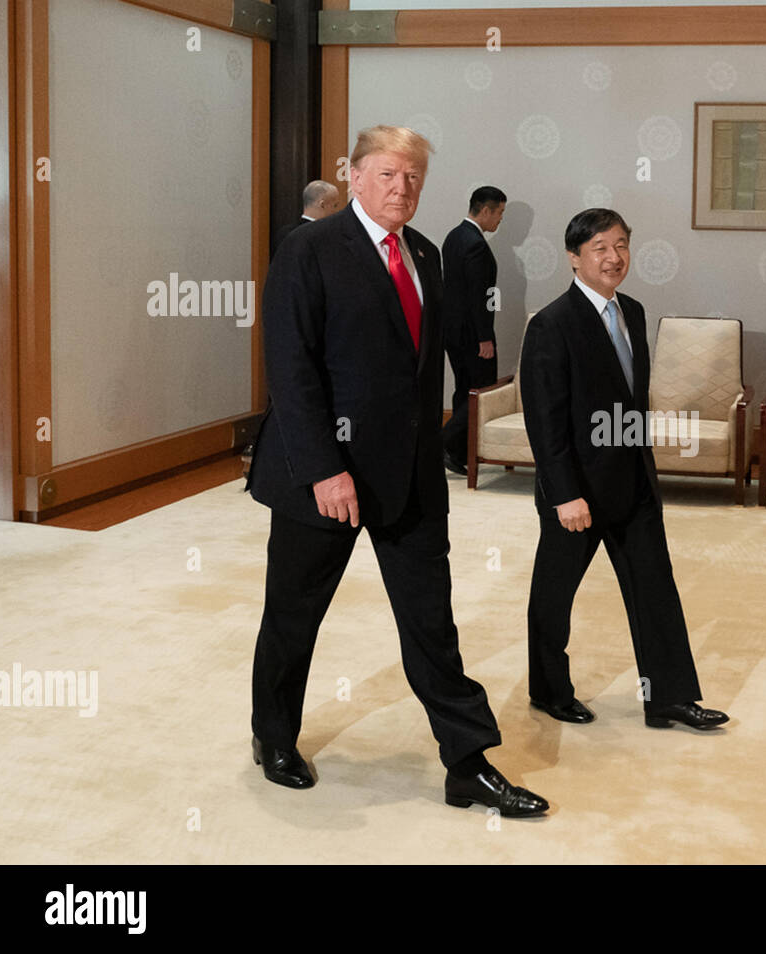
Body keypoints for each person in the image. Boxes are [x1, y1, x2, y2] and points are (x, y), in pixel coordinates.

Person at [246, 125, 547, 817]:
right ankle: (273, 737)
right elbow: (291, 372)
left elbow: (419, 375)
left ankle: (467, 761)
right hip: (322, 478)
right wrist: (325, 469)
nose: (401, 186)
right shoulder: (310, 249)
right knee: (294, 619)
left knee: (431, 621)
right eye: (386, 173)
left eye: (412, 175)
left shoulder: (424, 254)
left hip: (407, 480)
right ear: (352, 175)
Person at [519, 208, 729, 731]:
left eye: (621, 246)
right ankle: (549, 690)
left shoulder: (632, 311)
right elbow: (545, 422)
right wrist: (565, 493)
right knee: (554, 594)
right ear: (573, 258)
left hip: (633, 483)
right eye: (599, 249)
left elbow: (631, 403)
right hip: (577, 493)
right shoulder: (551, 325)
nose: (614, 258)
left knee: (656, 589)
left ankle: (669, 698)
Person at [440, 186, 506, 474]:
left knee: (464, 390)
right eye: (500, 213)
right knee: (480, 392)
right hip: (471, 334)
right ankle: (443, 444)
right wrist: (484, 337)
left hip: (452, 331)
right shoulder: (476, 244)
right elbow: (478, 295)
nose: (500, 220)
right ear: (486, 210)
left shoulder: (454, 237)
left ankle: (457, 452)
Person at [270, 179, 340, 258]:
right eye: (335, 206)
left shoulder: (284, 233)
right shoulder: (324, 236)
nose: (337, 211)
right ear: (322, 205)